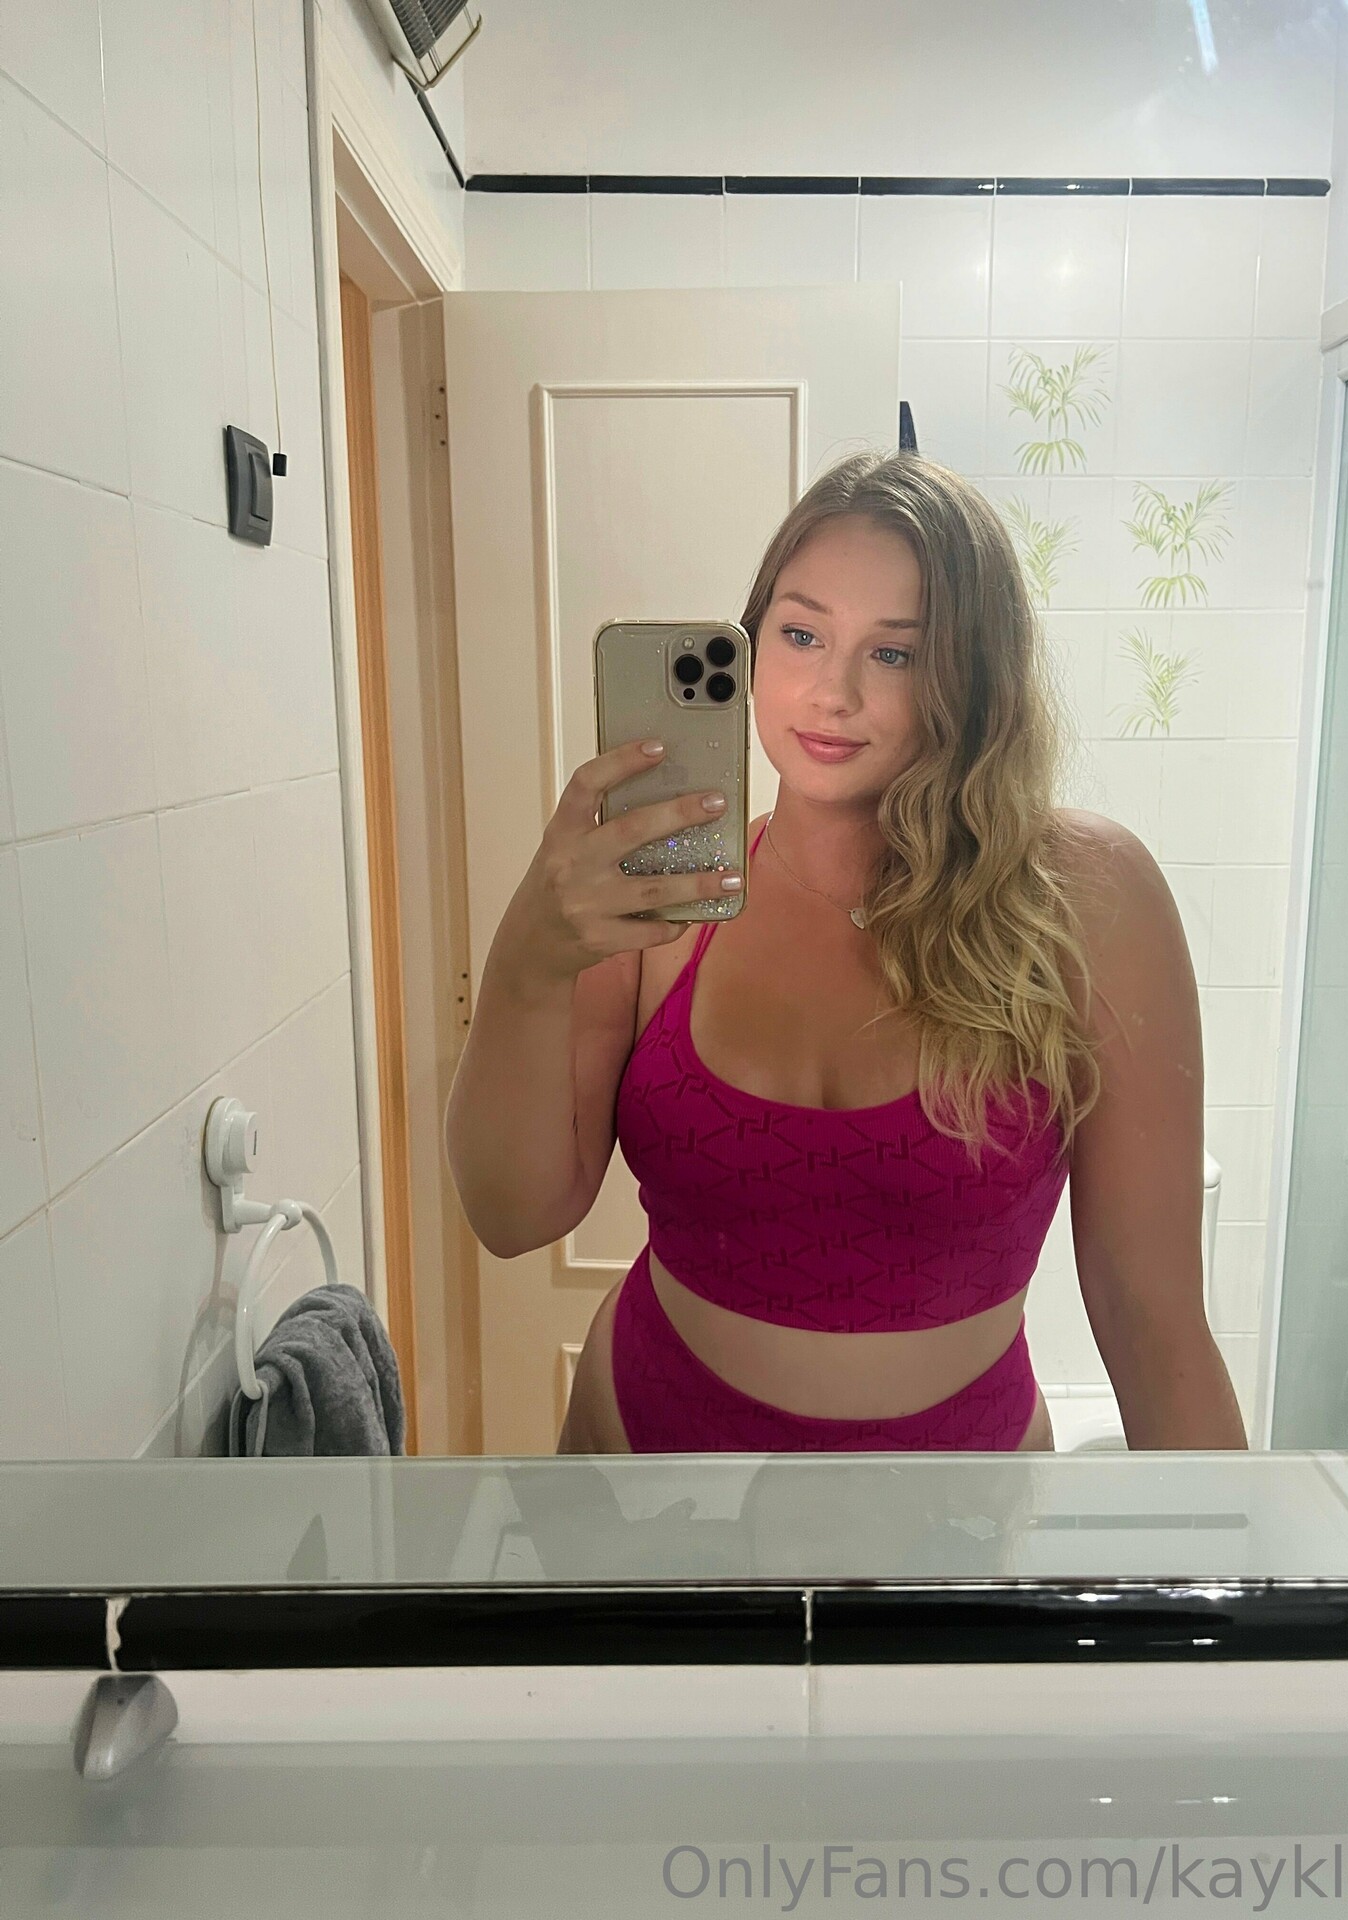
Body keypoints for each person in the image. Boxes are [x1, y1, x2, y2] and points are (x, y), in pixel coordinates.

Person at [446, 450, 1248, 1453]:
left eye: (895, 654)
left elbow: (1154, 1318)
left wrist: (1231, 1553)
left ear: (972, 678)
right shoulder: (660, 896)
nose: (832, 692)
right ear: (749, 646)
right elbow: (512, 1216)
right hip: (646, 1468)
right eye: (801, 634)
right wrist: (529, 959)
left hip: (961, 1499)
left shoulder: (1086, 899)